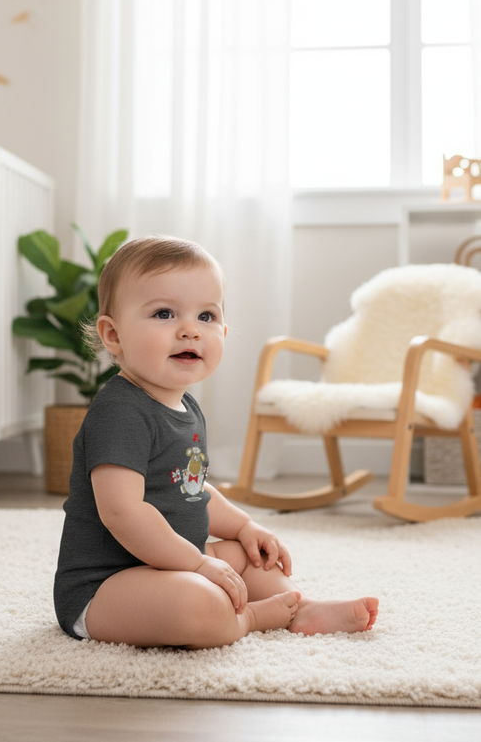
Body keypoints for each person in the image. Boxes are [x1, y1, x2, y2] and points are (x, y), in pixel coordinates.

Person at [54, 235, 378, 648]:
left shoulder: (185, 406)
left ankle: (301, 607)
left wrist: (244, 526)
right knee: (197, 603)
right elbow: (122, 512)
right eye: (165, 313)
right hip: (108, 585)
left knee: (248, 557)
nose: (190, 330)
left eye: (206, 316)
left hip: (173, 563)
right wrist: (198, 564)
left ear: (223, 330)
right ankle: (251, 619)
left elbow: (189, 487)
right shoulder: (119, 411)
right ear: (113, 335)